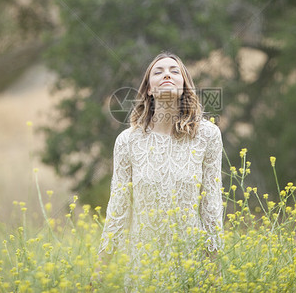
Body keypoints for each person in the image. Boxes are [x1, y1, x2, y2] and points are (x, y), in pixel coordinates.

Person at [95, 52, 224, 289]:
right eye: (158, 71)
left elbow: (211, 205)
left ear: (185, 87)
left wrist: (216, 271)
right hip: (143, 265)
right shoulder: (127, 141)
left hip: (191, 263)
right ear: (149, 90)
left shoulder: (207, 135)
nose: (167, 74)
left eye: (175, 71)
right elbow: (118, 209)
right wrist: (99, 273)